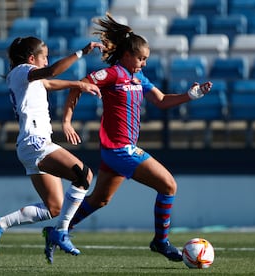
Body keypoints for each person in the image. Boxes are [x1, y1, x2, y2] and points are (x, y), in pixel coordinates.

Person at [61, 14, 213, 262]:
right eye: (141, 58)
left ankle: (60, 230)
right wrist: (66, 121)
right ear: (127, 55)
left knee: (100, 200)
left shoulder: (138, 78)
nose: (143, 63)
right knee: (169, 185)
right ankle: (161, 242)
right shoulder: (112, 74)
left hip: (118, 150)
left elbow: (162, 101)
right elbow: (78, 85)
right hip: (120, 149)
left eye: (146, 59)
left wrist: (190, 95)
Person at [0, 36, 104, 264]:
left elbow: (49, 83)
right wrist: (81, 53)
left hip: (30, 145)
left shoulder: (25, 78)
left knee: (54, 207)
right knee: (84, 175)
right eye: (44, 56)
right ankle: (61, 232)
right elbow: (51, 73)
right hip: (35, 142)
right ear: (31, 59)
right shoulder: (22, 71)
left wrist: (78, 84)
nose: (47, 60)